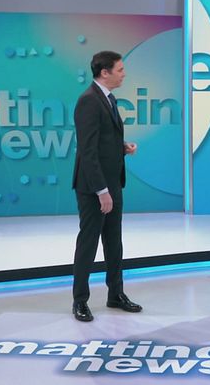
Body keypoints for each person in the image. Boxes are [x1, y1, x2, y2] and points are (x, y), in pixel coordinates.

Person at [71, 50, 142, 322]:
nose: (124, 74)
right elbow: (87, 151)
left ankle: (116, 294)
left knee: (114, 242)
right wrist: (101, 191)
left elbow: (102, 142)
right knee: (88, 243)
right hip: (94, 187)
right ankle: (80, 300)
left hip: (112, 183)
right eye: (120, 70)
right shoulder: (88, 101)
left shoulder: (109, 99)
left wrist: (122, 148)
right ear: (104, 72)